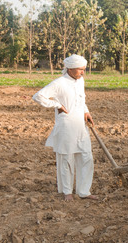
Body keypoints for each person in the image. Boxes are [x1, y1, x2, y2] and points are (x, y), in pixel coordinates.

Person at [32, 54, 98, 202]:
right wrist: (57, 105)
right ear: (70, 68)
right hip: (66, 126)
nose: (83, 73)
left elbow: (81, 99)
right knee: (66, 159)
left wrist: (86, 111)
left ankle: (84, 191)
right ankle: (67, 191)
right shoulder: (59, 83)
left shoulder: (80, 81)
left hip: (81, 126)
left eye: (84, 69)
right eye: (80, 70)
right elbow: (38, 96)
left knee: (86, 157)